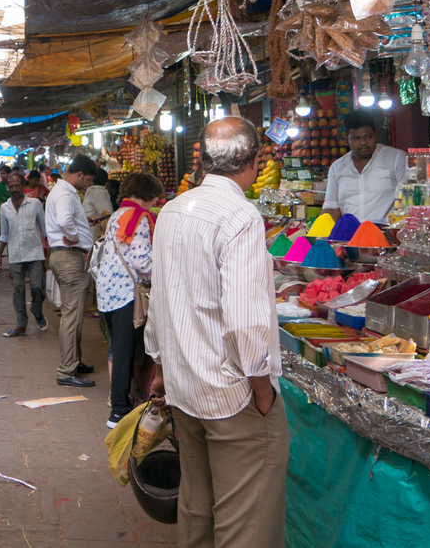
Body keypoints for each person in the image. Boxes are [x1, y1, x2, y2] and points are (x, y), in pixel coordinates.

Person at [147, 117, 288, 548]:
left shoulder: (172, 209)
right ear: (253, 160)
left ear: (203, 160)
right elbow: (246, 320)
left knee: (197, 507)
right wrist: (262, 391)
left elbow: (159, 300)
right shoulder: (240, 216)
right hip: (232, 395)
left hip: (185, 387)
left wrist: (159, 368)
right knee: (246, 519)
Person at [97, 172, 164, 426]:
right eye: (153, 198)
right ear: (146, 195)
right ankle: (118, 411)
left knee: (117, 349)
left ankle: (120, 402)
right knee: (125, 353)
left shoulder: (117, 214)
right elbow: (141, 261)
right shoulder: (140, 218)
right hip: (125, 293)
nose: (154, 203)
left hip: (107, 291)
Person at [45, 154, 99, 388]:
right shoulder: (65, 193)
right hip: (69, 258)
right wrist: (74, 236)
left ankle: (74, 362)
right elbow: (65, 220)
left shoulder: (61, 191)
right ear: (79, 175)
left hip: (66, 257)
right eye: (86, 180)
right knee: (72, 316)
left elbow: (68, 219)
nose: (86, 185)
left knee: (74, 314)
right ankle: (67, 370)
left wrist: (81, 223)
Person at [322, 110, 409, 224]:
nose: (363, 142)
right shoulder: (337, 167)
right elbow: (331, 207)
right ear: (347, 140)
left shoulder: (396, 158)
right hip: (350, 237)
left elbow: (408, 200)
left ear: (376, 135)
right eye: (356, 138)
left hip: (385, 235)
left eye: (368, 137)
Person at [0, 172, 48, 337]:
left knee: (37, 287)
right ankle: (21, 324)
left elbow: (44, 229)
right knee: (18, 289)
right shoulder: (4, 208)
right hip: (15, 254)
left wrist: (49, 251)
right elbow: (4, 234)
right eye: (11, 186)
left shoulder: (35, 204)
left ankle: (37, 311)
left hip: (35, 253)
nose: (14, 189)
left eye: (17, 186)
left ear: (23, 186)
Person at [82, 168, 114, 239]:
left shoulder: (97, 191)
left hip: (90, 233)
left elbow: (107, 214)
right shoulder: (97, 191)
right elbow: (108, 214)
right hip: (92, 233)